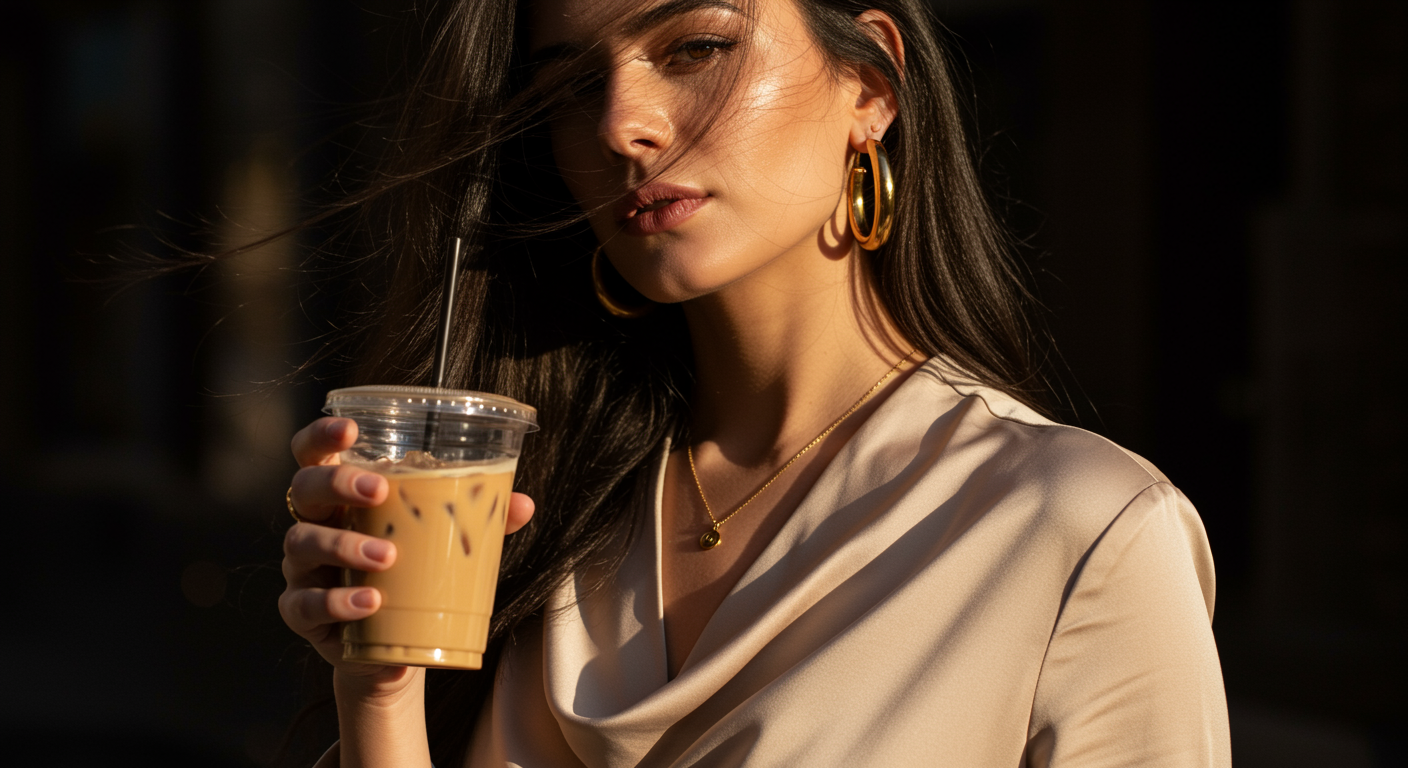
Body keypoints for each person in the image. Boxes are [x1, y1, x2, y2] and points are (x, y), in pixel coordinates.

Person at [278, 0, 1231, 765]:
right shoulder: (538, 510)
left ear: (869, 84)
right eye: (569, 88)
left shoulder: (1077, 534)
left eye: (693, 46)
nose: (621, 124)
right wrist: (383, 695)